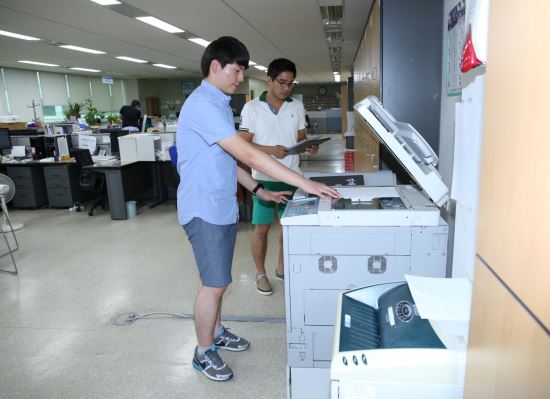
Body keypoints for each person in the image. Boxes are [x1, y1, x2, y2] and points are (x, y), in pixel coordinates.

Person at [176, 36, 339, 382]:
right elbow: (248, 154)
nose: (239, 79)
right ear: (216, 66)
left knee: (219, 279)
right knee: (214, 284)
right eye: (236, 71)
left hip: (221, 205)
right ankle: (203, 352)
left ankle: (217, 332)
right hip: (203, 207)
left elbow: (226, 159)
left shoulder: (219, 103)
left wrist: (257, 188)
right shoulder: (203, 104)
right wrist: (303, 182)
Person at [239, 58, 319, 296]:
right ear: (270, 80)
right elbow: (244, 144)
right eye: (282, 82)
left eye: (291, 84)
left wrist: (308, 146)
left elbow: (301, 136)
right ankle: (260, 273)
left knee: (289, 228)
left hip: (293, 177)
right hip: (263, 178)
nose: (286, 88)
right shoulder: (252, 108)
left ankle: (282, 267)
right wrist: (270, 150)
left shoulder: (296, 106)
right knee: (261, 229)